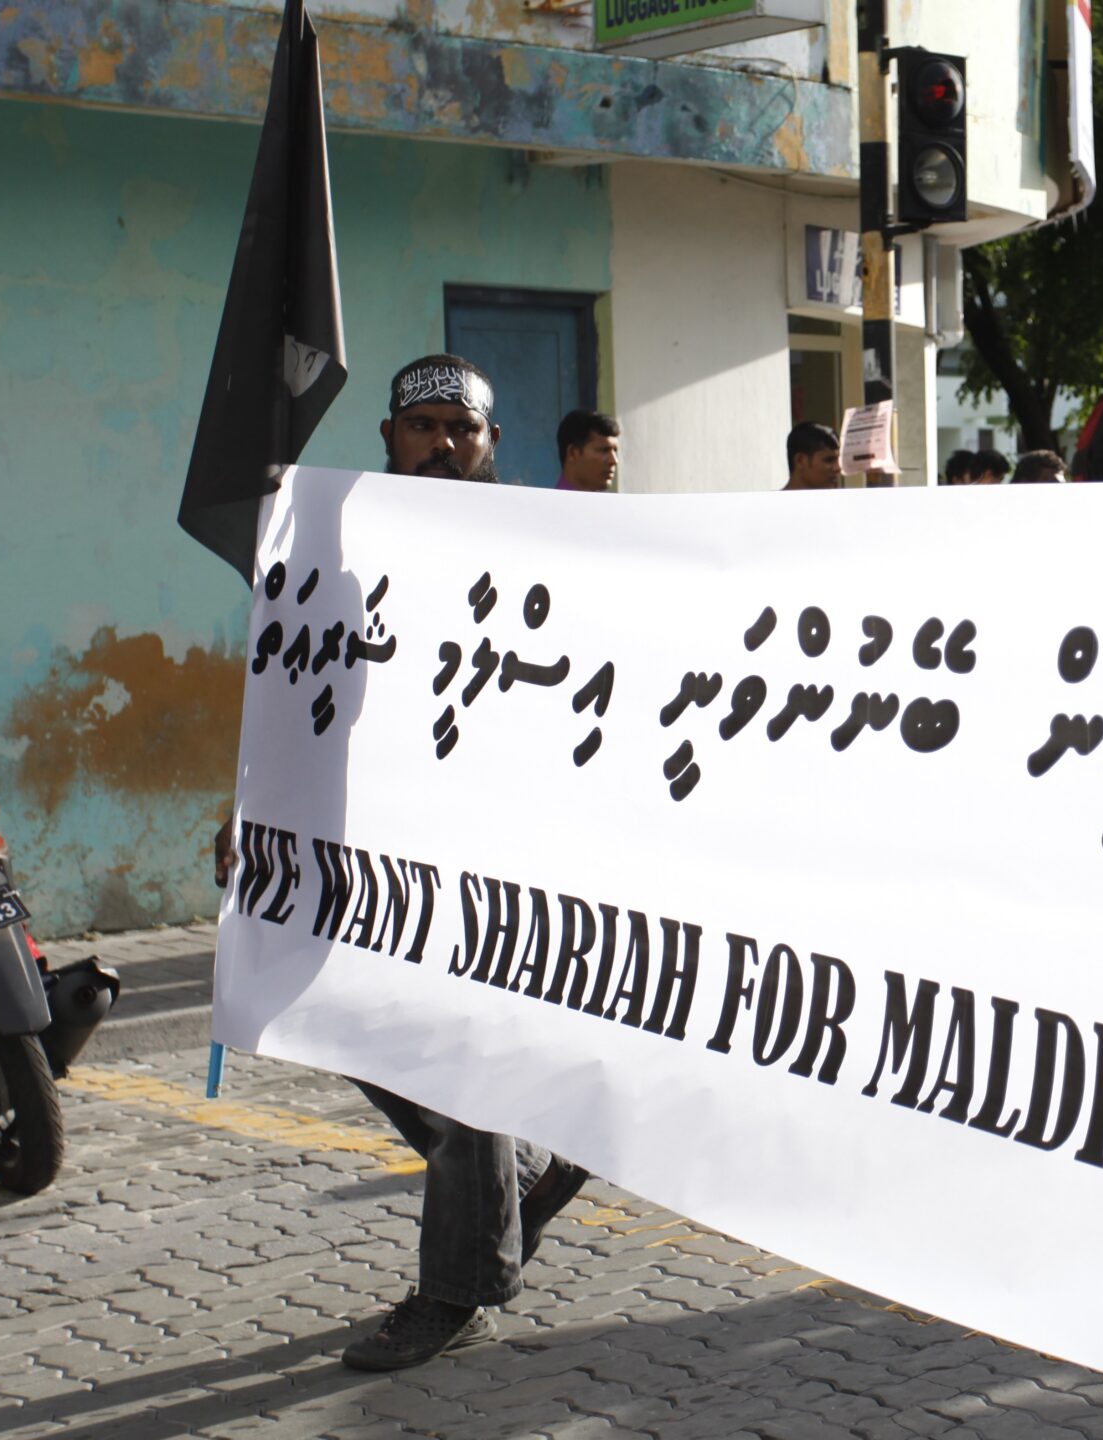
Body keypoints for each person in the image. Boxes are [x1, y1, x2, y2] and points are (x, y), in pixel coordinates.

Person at [347, 355, 591, 1371]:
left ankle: (454, 1285)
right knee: (356, 1026)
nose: (444, 444)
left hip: (502, 847)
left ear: (495, 445)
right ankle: (527, 1174)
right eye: (425, 426)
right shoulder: (344, 546)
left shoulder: (543, 547)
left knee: (462, 1056)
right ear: (389, 438)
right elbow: (298, 681)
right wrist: (259, 803)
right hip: (380, 844)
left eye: (465, 428)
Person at [554, 410, 620, 493]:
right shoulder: (547, 505)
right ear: (573, 453)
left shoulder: (610, 505)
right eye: (603, 450)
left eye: (615, 451)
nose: (614, 461)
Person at [785, 421, 841, 491]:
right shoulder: (772, 501)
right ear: (800, 460)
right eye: (829, 460)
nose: (838, 468)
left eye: (838, 460)